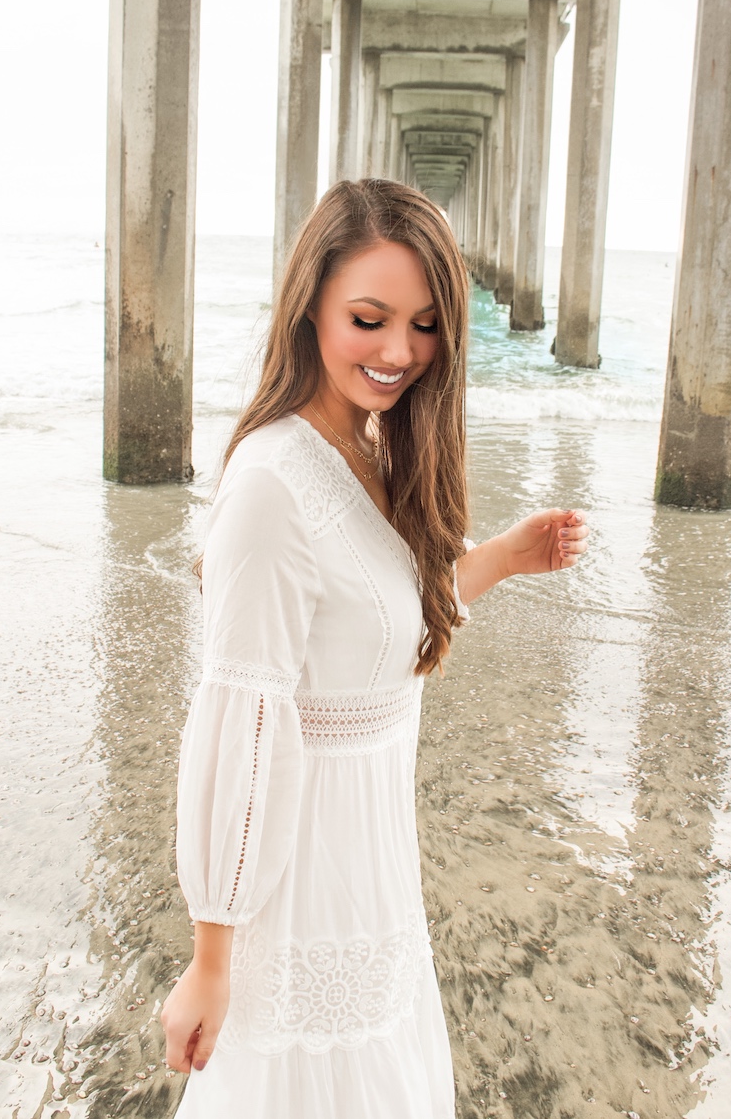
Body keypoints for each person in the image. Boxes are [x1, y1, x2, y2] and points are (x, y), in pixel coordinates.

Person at [160, 178, 589, 1117]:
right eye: (370, 318)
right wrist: (210, 958)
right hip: (303, 886)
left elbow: (371, 637)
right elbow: (242, 728)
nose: (401, 352)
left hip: (371, 878)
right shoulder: (274, 481)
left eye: (428, 324)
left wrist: (499, 562)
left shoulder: (369, 443)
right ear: (309, 305)